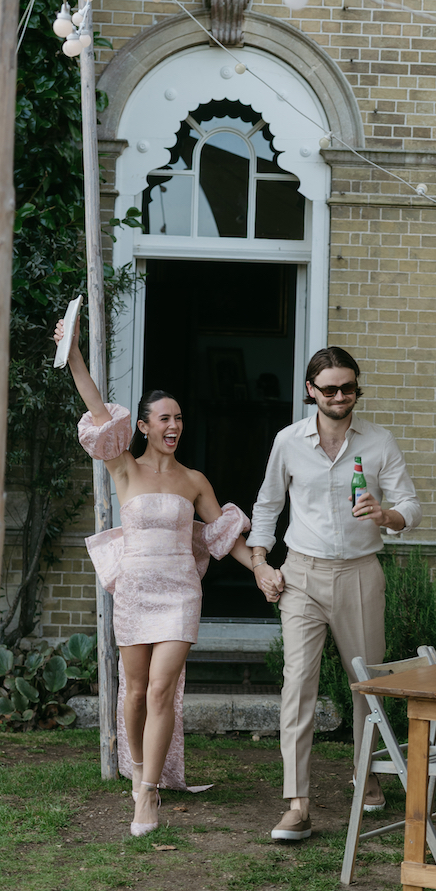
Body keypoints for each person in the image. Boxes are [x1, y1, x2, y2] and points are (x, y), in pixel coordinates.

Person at [54, 318, 257, 837]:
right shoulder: (124, 467)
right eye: (165, 418)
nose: (174, 426)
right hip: (135, 591)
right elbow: (96, 408)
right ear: (142, 426)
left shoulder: (194, 480)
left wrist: (260, 566)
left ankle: (147, 795)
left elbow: (222, 536)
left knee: (163, 689)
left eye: (179, 418)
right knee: (136, 693)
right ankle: (140, 771)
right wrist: (74, 355)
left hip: (180, 594)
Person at [247, 346, 422, 841]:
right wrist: (260, 563)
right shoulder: (288, 441)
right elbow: (267, 505)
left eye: (348, 387)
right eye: (329, 389)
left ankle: (366, 775)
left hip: (361, 573)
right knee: (297, 684)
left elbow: (411, 505)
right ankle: (297, 804)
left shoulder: (379, 441)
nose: (340, 396)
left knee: (366, 683)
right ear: (311, 390)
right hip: (301, 574)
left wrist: (387, 515)